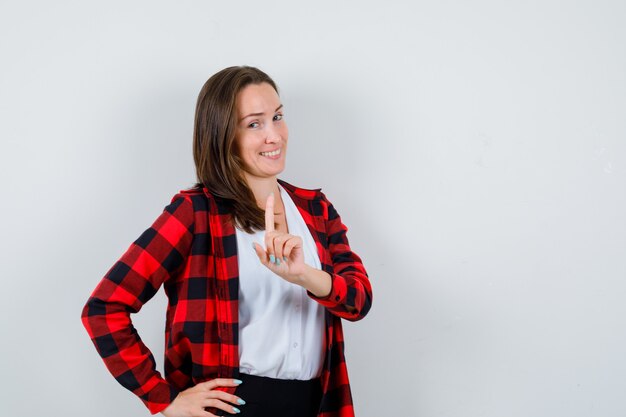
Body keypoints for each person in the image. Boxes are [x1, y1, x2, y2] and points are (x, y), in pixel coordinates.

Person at [81, 65, 373, 417]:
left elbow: (359, 300)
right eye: (254, 124)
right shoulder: (193, 212)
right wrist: (164, 399)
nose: (274, 136)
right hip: (234, 406)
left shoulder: (316, 210)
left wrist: (304, 276)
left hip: (316, 403)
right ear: (223, 135)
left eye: (277, 117)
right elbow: (104, 309)